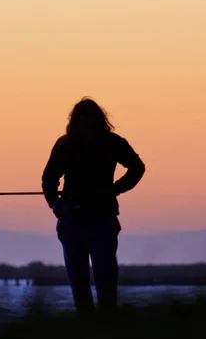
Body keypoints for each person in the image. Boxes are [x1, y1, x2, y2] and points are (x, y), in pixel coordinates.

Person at [41, 97, 145, 317]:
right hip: (73, 219)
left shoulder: (112, 142)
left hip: (102, 219)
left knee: (104, 277)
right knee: (80, 280)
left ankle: (104, 324)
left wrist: (115, 189)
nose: (86, 129)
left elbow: (137, 168)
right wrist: (56, 205)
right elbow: (49, 179)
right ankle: (89, 324)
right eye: (83, 123)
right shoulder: (66, 144)